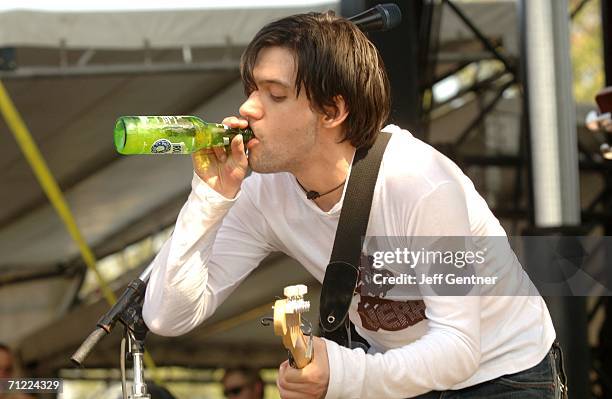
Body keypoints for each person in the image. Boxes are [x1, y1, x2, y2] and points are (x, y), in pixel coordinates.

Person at [142, 10, 566, 399]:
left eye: (274, 94)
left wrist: (344, 373)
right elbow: (167, 316)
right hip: (403, 371)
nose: (248, 107)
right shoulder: (263, 195)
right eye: (252, 89)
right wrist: (210, 197)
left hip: (503, 374)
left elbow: (458, 347)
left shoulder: (419, 183)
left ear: (332, 110)